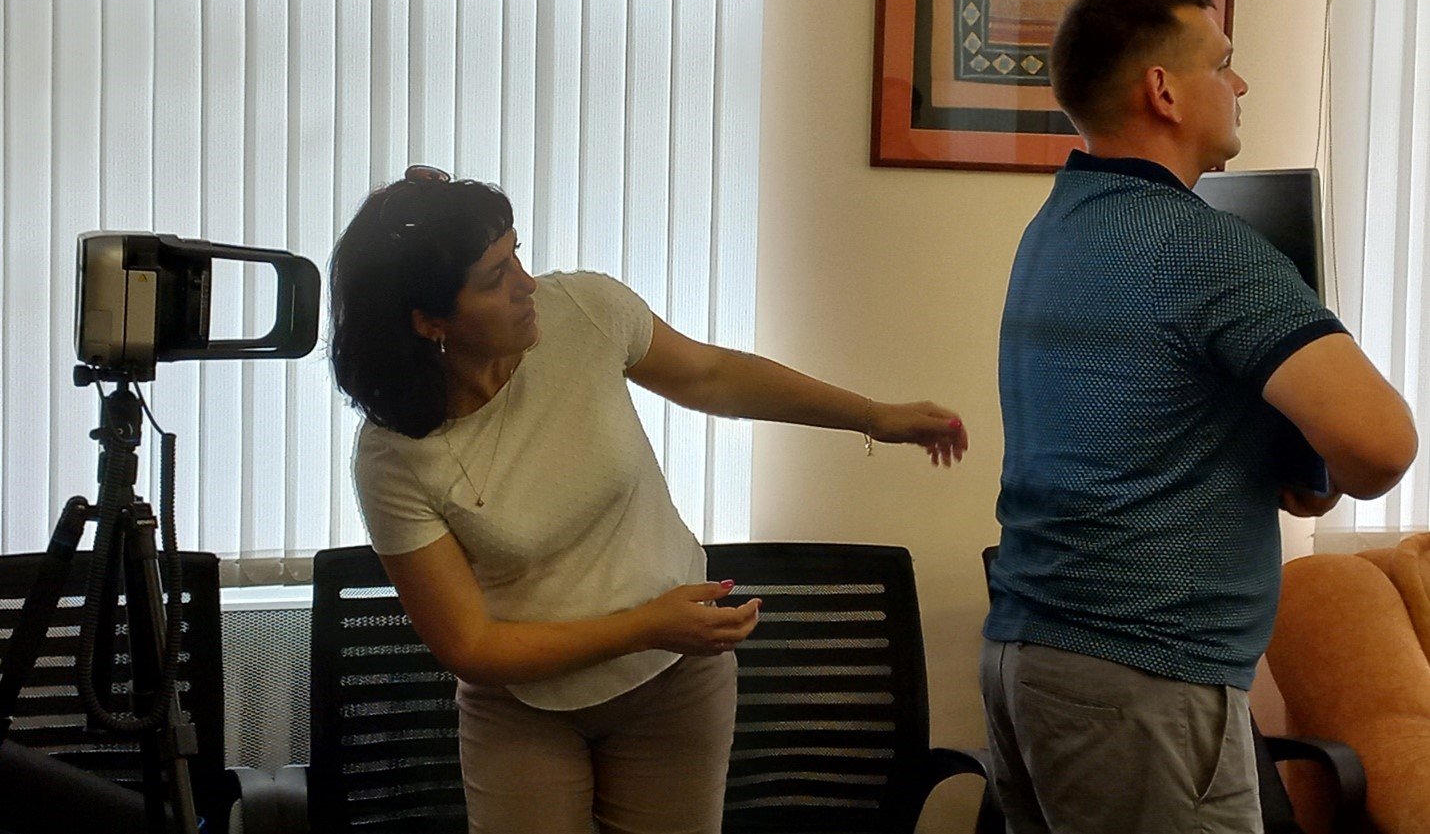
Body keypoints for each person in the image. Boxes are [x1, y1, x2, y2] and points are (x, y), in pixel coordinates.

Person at [328, 165, 969, 834]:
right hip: (525, 705)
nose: (526, 284)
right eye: (495, 278)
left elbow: (713, 375)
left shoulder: (584, 311)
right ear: (430, 320)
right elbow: (472, 643)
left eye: (518, 253)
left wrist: (872, 415)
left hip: (674, 684)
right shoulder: (394, 455)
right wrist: (644, 624)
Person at [981, 0, 1418, 834]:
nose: (1241, 84)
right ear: (1163, 90)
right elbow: (1384, 442)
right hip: (1141, 677)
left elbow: (1139, 420)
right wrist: (1325, 466)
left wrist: (1281, 456)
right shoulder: (1204, 247)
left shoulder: (1060, 225)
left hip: (1031, 659)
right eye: (1225, 63)